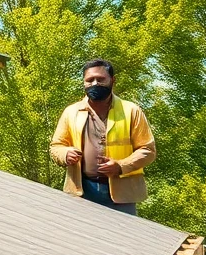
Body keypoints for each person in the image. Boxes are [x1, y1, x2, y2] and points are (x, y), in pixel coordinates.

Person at [50, 58, 156, 216]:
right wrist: (65, 154)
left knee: (122, 238)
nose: (94, 84)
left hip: (122, 195)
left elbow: (148, 150)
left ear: (113, 80)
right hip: (81, 192)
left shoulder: (131, 111)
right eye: (89, 80)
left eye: (100, 79)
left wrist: (120, 166)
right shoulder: (71, 112)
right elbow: (56, 146)